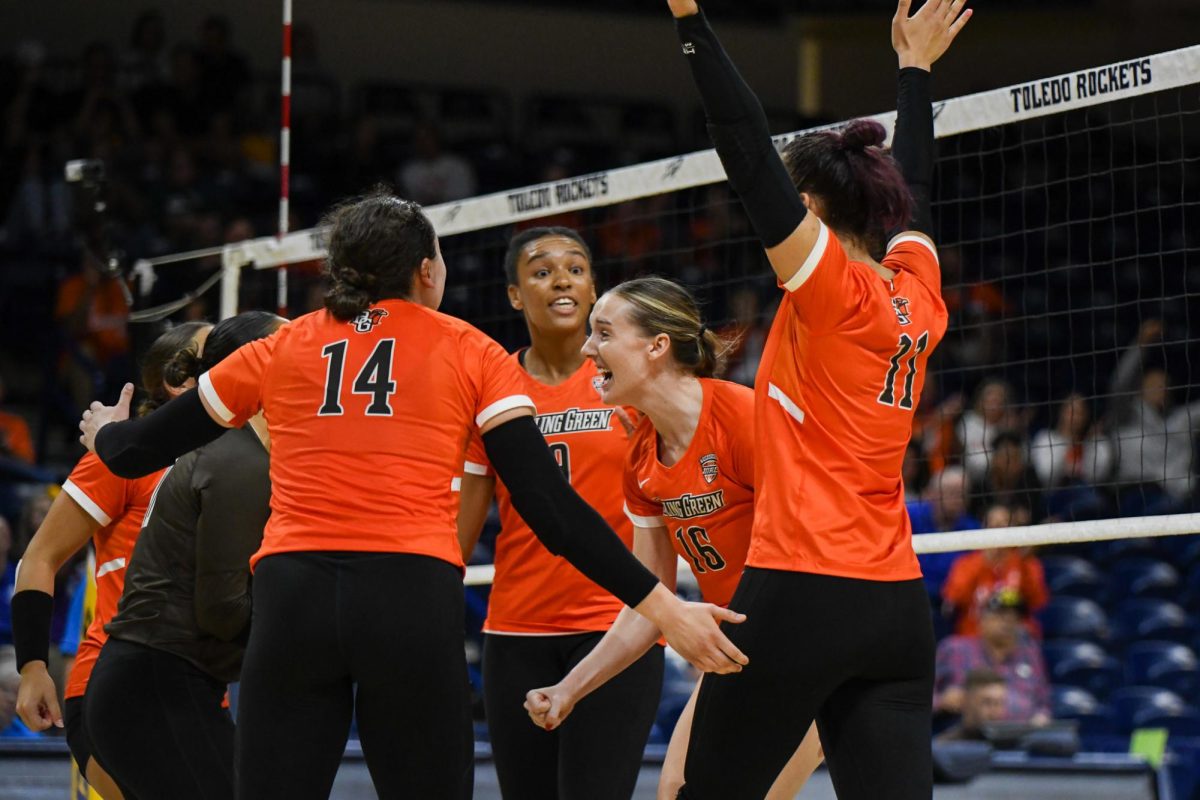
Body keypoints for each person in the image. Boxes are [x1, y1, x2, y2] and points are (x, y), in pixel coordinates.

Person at [77, 188, 747, 799]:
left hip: (293, 599)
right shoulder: (470, 349)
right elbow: (551, 509)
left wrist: (107, 433)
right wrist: (663, 605)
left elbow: (140, 448)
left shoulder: (281, 347)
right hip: (407, 596)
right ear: (428, 271)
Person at [661, 0, 969, 796]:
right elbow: (920, 186)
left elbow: (743, 144)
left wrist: (691, 18)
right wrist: (915, 72)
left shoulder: (832, 287)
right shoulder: (918, 294)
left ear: (818, 211)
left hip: (804, 584)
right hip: (896, 606)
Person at [524, 276, 824, 800]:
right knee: (674, 792)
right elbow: (649, 603)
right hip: (735, 653)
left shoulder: (742, 418)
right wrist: (569, 689)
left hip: (808, 646)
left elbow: (813, 554)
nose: (588, 348)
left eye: (603, 333)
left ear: (657, 345)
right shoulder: (641, 459)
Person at [457, 229, 663, 799]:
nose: (562, 280)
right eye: (542, 271)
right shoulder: (494, 388)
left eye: (575, 268)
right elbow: (460, 529)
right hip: (516, 629)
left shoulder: (628, 382)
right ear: (515, 295)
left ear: (594, 287)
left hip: (618, 624)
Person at [84, 312, 282, 799]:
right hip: (153, 682)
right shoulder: (238, 460)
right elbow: (221, 611)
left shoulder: (240, 452)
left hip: (151, 682)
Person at [12, 321, 212, 800]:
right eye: (218, 353)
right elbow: (38, 558)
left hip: (199, 685)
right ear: (179, 379)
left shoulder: (233, 461)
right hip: (116, 681)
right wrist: (32, 668)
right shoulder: (123, 454)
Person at [934, 587, 1051, 725]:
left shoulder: (1030, 653)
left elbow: (1044, 701)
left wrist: (1042, 716)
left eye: (1014, 618)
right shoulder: (955, 649)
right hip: (968, 736)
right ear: (981, 618)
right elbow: (921, 695)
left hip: (1021, 735)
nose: (1008, 622)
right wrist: (943, 701)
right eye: (1000, 615)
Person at [940, 504, 1049, 637]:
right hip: (974, 634)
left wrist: (1024, 563)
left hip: (1015, 635)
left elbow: (1038, 603)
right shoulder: (967, 564)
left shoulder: (1026, 562)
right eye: (994, 526)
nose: (998, 533)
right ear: (983, 529)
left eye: (1003, 526)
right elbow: (953, 600)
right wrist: (985, 562)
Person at [1030, 393, 1113, 520]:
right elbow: (1046, 475)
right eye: (1070, 411)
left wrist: (1085, 445)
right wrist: (1069, 442)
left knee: (1095, 501)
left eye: (1079, 412)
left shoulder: (1097, 442)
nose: (1074, 417)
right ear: (1061, 413)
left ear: (1087, 415)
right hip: (1054, 495)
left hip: (1086, 494)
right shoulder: (1046, 438)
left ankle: (1060, 518)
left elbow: (1098, 477)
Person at [934, 668, 1008, 742]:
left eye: (999, 702)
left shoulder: (1011, 746)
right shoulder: (944, 746)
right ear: (967, 702)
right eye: (987, 702)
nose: (995, 710)